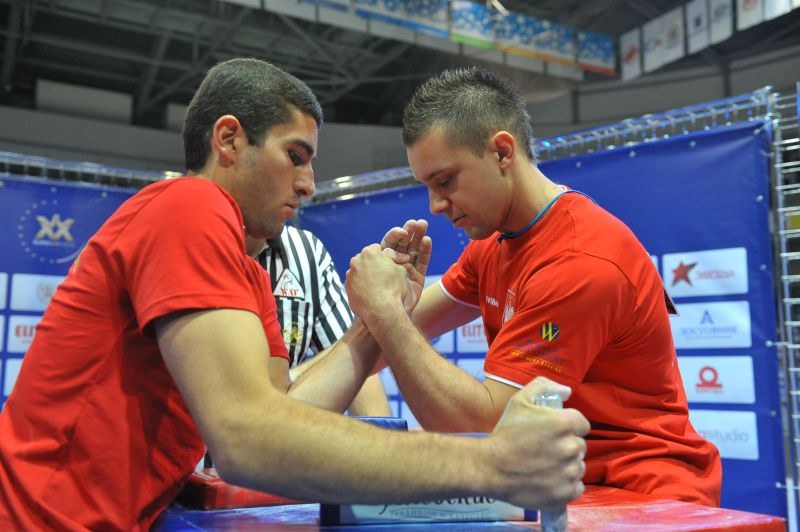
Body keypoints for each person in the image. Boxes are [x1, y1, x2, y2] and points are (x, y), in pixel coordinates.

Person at [0, 58, 589, 530]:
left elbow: (287, 418)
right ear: (229, 140)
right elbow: (247, 438)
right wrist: (490, 464)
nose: (308, 184)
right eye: (296, 157)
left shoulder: (250, 272)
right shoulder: (188, 205)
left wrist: (377, 321)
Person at [344, 66, 721, 506]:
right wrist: (283, 395)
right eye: (427, 185)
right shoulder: (495, 244)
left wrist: (388, 314)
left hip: (642, 492)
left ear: (503, 152)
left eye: (445, 181)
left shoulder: (578, 261)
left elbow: (486, 426)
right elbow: (379, 345)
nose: (436, 204)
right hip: (563, 481)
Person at [245, 227, 390, 415]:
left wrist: (382, 438)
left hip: (276, 426)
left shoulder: (306, 252)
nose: (308, 195)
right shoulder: (202, 242)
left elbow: (352, 356)